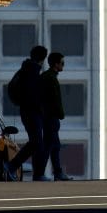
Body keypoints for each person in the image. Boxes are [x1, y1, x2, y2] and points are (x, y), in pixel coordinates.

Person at [5, 45, 50, 181]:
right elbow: (33, 95)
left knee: (37, 143)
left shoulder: (25, 69)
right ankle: (13, 165)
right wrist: (40, 108)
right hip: (32, 112)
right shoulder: (32, 71)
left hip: (27, 111)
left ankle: (37, 174)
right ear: (42, 59)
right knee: (36, 142)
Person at [41, 52, 73, 181]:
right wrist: (60, 114)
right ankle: (42, 173)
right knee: (50, 146)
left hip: (49, 118)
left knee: (53, 146)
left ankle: (56, 172)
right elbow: (55, 100)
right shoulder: (50, 78)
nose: (63, 66)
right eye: (62, 63)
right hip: (51, 118)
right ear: (56, 64)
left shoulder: (47, 77)